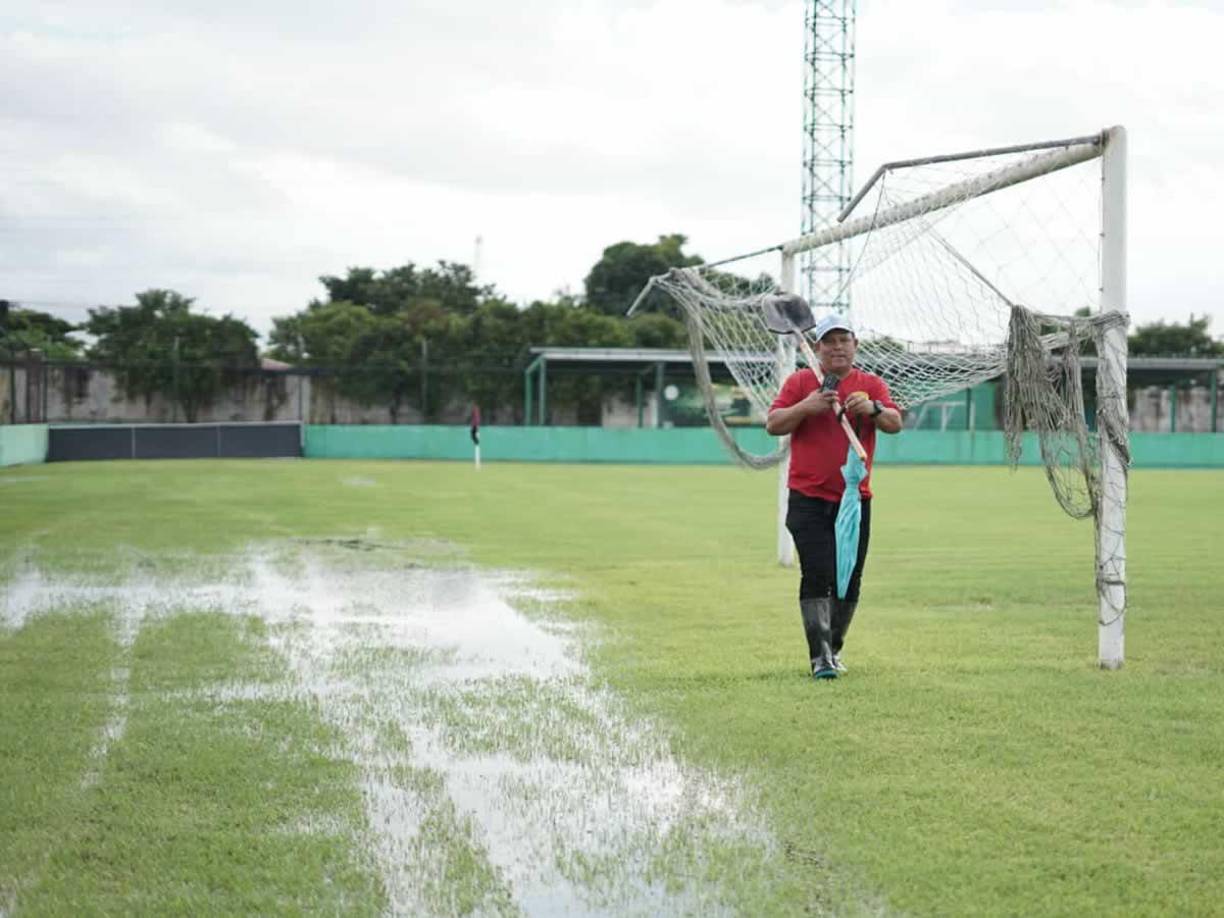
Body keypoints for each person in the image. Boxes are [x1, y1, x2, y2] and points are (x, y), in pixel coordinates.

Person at [765, 313, 902, 679]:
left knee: (849, 577)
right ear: (817, 348)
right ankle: (820, 658)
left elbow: (894, 423)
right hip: (807, 498)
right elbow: (773, 424)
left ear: (855, 345)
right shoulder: (801, 382)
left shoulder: (870, 384)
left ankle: (834, 648)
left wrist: (873, 409)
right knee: (818, 572)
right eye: (829, 341)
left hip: (854, 500)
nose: (837, 347)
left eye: (844, 340)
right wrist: (806, 407)